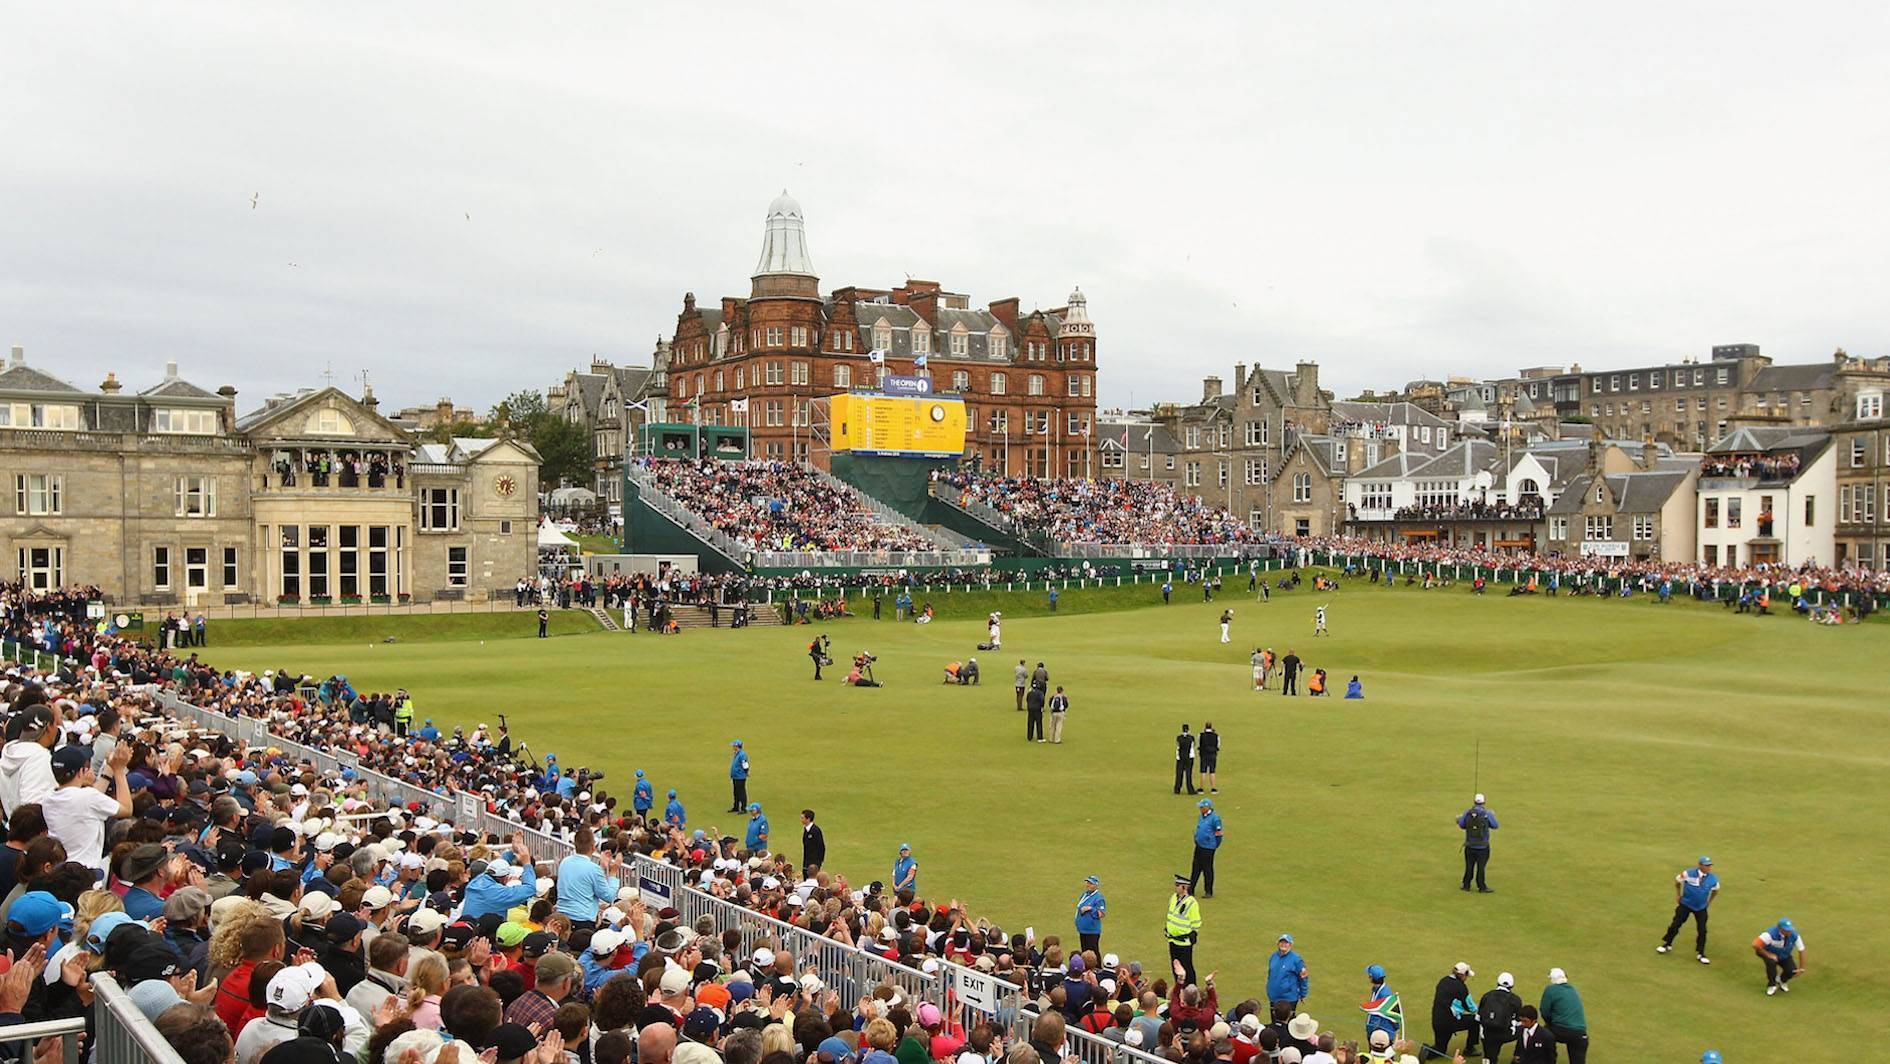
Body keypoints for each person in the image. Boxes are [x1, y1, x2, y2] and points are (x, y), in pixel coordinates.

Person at [43, 741, 132, 873]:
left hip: (61, 870)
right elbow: (127, 809)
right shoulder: (88, 797)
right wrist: (119, 770)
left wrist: (109, 768)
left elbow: (90, 801)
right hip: (85, 874)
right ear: (80, 772)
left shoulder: (48, 796)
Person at [1659, 856, 1719, 963]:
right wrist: (1678, 895)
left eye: (1710, 865)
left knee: (1702, 930)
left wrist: (1709, 902)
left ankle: (1701, 953)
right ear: (1700, 865)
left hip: (1701, 907)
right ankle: (1667, 944)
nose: (1709, 867)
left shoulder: (1713, 879)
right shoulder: (1688, 873)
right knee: (1676, 924)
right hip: (1685, 904)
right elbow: (1678, 881)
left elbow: (1715, 890)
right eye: (1706, 865)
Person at [1425, 962, 1477, 1061]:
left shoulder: (1443, 981)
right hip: (1450, 1022)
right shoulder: (1461, 988)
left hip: (1437, 1020)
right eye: (1466, 975)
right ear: (1462, 975)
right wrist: (1479, 1011)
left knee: (1440, 1049)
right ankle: (1470, 1049)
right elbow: (1470, 1008)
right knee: (1475, 1021)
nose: (1466, 978)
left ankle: (1426, 1051)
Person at [1538, 968, 1586, 1062]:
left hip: (1561, 1029)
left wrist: (1550, 1023)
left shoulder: (1550, 989)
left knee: (1543, 1035)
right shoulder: (1573, 990)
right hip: (1580, 1033)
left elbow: (1544, 1011)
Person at [1164, 874, 1201, 987]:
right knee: (1175, 968)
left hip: (1184, 941)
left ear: (1184, 887)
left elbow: (1196, 921)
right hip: (1172, 940)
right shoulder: (1173, 898)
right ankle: (1179, 989)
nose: (1175, 887)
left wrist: (1194, 933)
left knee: (1187, 967)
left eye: (1178, 885)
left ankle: (1192, 990)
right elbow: (1171, 915)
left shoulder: (1191, 903)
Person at [1477, 972, 1522, 1063]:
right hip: (1505, 1034)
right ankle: (1517, 1057)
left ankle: (1487, 1058)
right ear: (1511, 985)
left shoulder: (1487, 996)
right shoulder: (1516, 999)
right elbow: (1518, 1022)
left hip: (1487, 1034)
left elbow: (1478, 1018)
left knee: (1490, 1058)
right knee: (1525, 1029)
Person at [1456, 794, 1497, 893]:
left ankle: (1466, 885)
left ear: (1474, 802)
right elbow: (1495, 826)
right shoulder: (1487, 813)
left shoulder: (1467, 813)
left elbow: (1462, 825)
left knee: (1469, 866)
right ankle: (1481, 887)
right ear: (1484, 802)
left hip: (1470, 845)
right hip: (1483, 846)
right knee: (1481, 867)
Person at [1753, 918, 1805, 995]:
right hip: (1767, 953)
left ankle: (1781, 980)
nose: (1789, 931)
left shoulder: (1794, 935)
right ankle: (1772, 985)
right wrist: (1768, 954)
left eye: (1790, 929)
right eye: (1786, 930)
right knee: (1771, 963)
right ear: (1780, 929)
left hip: (1784, 955)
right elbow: (1755, 945)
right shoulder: (1769, 934)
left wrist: (1801, 968)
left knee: (1791, 971)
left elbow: (1801, 950)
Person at [1190, 798, 1222, 898]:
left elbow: (1219, 834)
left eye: (1201, 807)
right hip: (1199, 846)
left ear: (1207, 807)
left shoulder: (1215, 818)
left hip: (1208, 848)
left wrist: (1213, 845)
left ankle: (1208, 891)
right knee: (1195, 867)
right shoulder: (1201, 816)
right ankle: (1191, 889)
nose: (1200, 808)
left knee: (1207, 869)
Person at [1266, 935, 1308, 1011]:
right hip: (1274, 997)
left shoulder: (1296, 959)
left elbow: (1304, 977)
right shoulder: (1273, 957)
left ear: (1290, 945)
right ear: (1278, 944)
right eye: (1281, 942)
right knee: (1274, 1022)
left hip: (1289, 999)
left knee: (1288, 1022)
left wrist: (1303, 994)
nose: (1283, 944)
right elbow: (1270, 975)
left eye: (1286, 943)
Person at [1074, 875, 1106, 954]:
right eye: (1087, 883)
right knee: (1084, 952)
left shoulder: (1099, 898)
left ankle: (1097, 966)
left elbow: (1101, 914)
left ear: (1096, 885)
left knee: (1093, 953)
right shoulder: (1085, 894)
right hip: (1083, 930)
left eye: (1091, 883)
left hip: (1091, 931)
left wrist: (1091, 909)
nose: (1088, 885)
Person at [1174, 724, 1197, 795]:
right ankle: (1190, 789)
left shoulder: (1179, 738)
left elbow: (1178, 746)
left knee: (1179, 774)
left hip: (1180, 758)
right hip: (1189, 757)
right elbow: (1193, 746)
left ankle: (1177, 789)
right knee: (1188, 774)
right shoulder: (1191, 738)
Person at [728, 740, 750, 812]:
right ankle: (736, 807)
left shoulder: (742, 754)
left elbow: (745, 765)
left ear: (737, 746)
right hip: (736, 776)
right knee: (736, 792)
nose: (733, 747)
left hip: (740, 777)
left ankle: (743, 808)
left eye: (734, 745)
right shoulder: (737, 753)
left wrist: (746, 772)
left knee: (741, 792)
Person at [1198, 722, 1220, 794]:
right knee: (1212, 771)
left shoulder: (1201, 735)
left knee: (1203, 771)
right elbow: (1218, 745)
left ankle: (1201, 789)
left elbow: (1199, 744)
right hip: (1212, 755)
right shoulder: (1216, 735)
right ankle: (1213, 788)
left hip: (1204, 755)